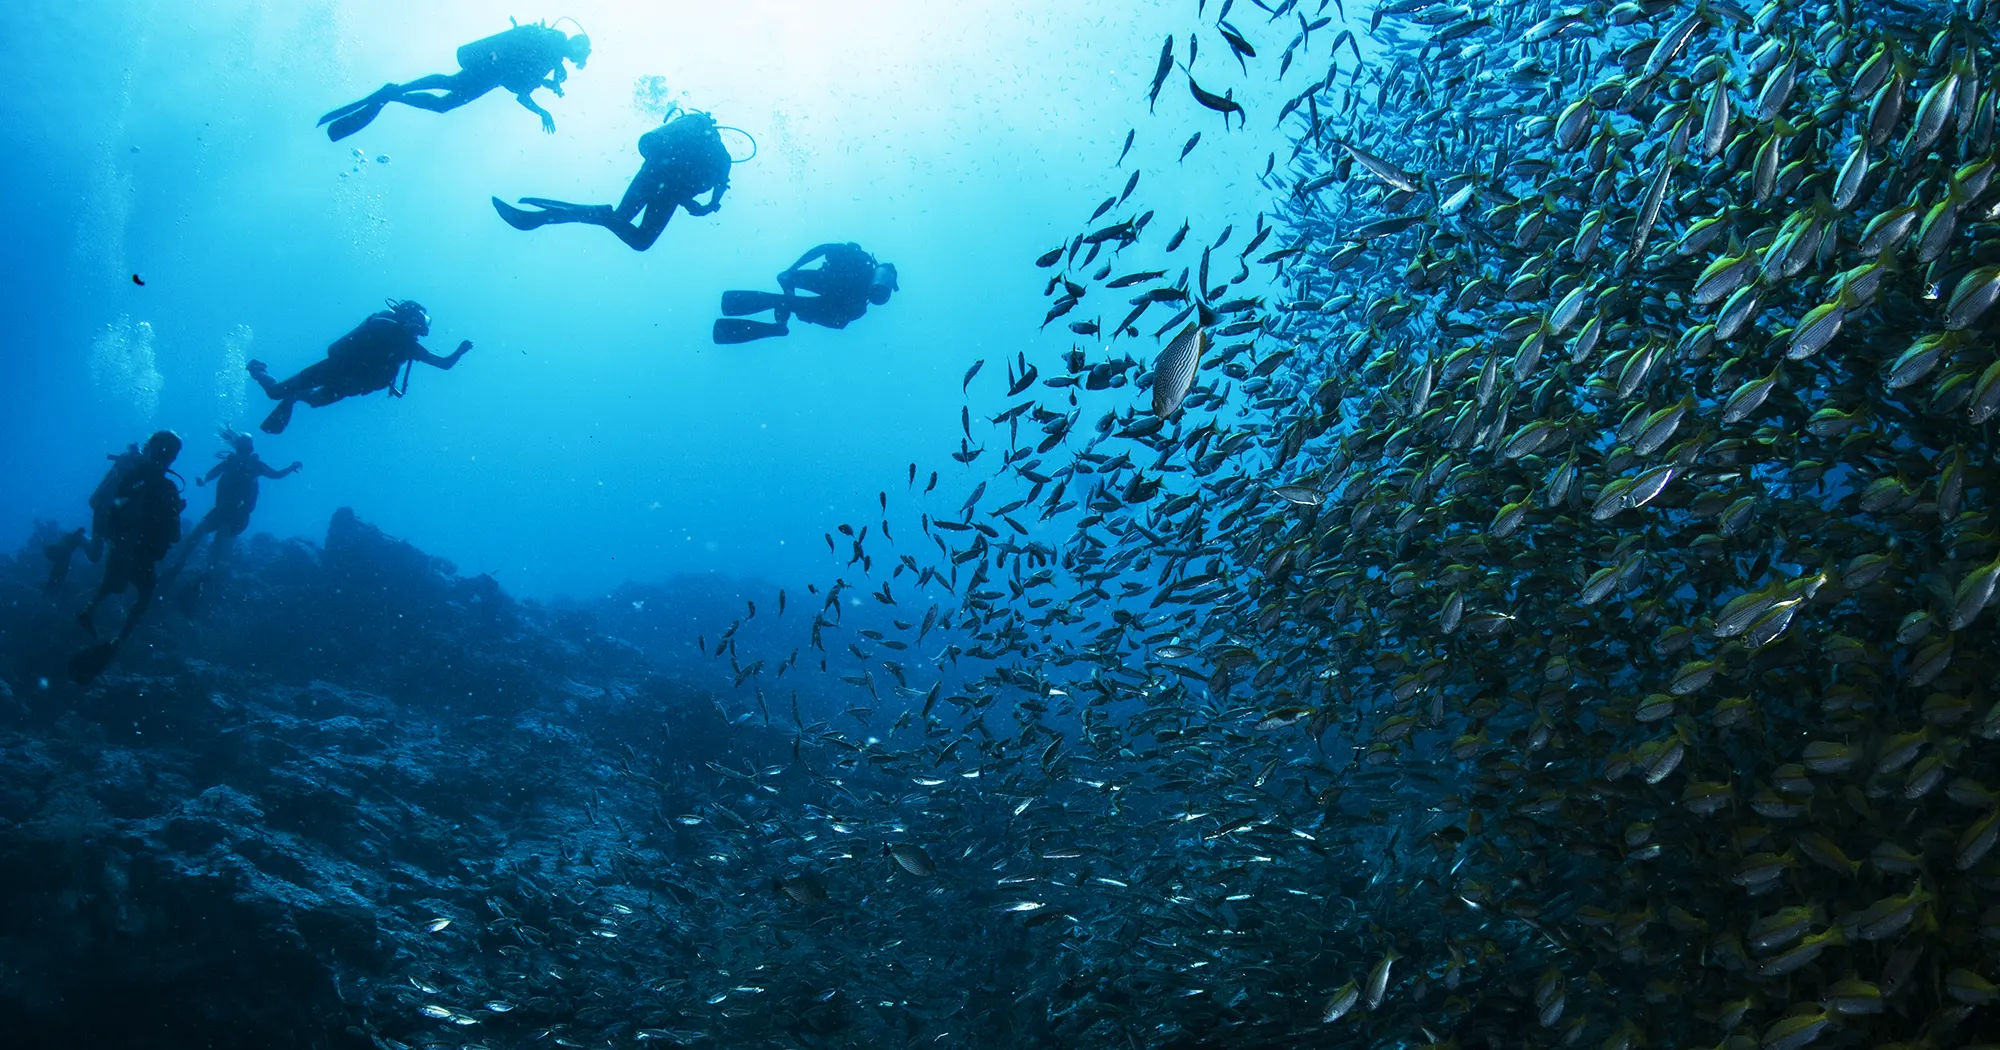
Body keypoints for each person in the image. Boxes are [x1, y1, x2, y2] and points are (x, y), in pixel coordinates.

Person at [492, 108, 733, 251]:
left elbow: (668, 161)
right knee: (640, 241)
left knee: (621, 218)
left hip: (652, 174)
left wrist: (689, 197)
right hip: (669, 192)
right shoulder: (723, 157)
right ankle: (574, 216)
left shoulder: (688, 133)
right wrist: (706, 207)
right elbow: (715, 189)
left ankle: (543, 218)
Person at [317, 19, 591, 141]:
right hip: (489, 66)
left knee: (443, 103)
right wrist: (552, 79)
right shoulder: (555, 41)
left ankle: (393, 93)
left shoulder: (550, 64)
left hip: (492, 76)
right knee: (448, 86)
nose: (578, 56)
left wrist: (543, 106)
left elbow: (521, 93)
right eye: (581, 50)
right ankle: (395, 92)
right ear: (576, 45)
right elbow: (536, 52)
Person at [246, 299, 471, 434]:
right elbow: (442, 364)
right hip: (336, 369)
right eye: (420, 319)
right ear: (409, 316)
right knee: (275, 392)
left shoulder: (407, 344)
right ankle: (258, 370)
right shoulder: (386, 326)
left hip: (349, 383)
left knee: (314, 401)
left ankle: (294, 396)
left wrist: (459, 350)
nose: (423, 325)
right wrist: (459, 350)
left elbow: (443, 364)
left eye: (424, 320)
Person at [74, 430, 185, 645]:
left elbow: (171, 533)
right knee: (124, 583)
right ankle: (114, 634)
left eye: (171, 454)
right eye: (169, 453)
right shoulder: (138, 476)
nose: (168, 458)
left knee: (128, 585)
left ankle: (100, 622)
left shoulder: (152, 483)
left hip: (129, 542)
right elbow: (174, 535)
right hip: (128, 540)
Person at [167, 431, 300, 580]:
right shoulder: (230, 462)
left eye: (245, 449)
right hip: (221, 508)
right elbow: (213, 473)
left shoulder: (256, 466)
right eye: (241, 449)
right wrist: (203, 480)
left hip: (239, 513)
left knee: (222, 533)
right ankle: (181, 562)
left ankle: (208, 570)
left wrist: (290, 468)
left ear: (250, 450)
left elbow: (276, 475)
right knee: (199, 530)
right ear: (238, 448)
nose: (243, 453)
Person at [712, 243, 898, 344]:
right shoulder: (867, 281)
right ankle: (781, 322)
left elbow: (821, 249)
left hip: (833, 287)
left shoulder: (854, 257)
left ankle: (782, 317)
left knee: (787, 280)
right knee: (791, 298)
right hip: (839, 313)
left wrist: (793, 268)